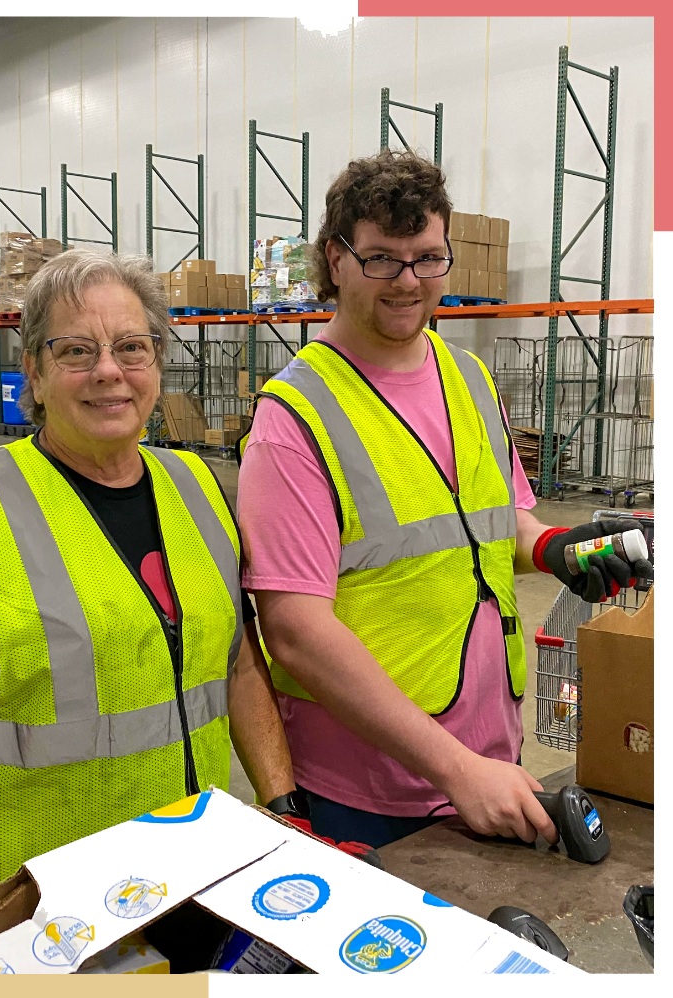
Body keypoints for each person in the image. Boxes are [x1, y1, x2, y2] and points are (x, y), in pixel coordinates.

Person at [236, 150, 652, 849]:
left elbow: (499, 522)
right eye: (381, 260)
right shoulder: (293, 419)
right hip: (374, 789)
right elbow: (297, 633)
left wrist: (552, 547)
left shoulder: (468, 377)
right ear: (334, 260)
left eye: (428, 258)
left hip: (493, 759)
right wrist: (455, 768)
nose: (408, 282)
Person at [0, 250, 303, 927]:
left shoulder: (198, 489)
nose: (108, 371)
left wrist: (283, 806)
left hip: (189, 887)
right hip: (34, 917)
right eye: (74, 350)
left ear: (156, 361)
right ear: (33, 371)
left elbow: (237, 664)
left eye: (132, 347)